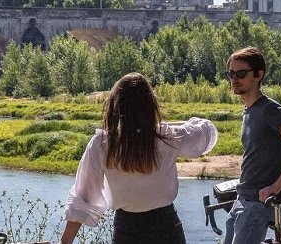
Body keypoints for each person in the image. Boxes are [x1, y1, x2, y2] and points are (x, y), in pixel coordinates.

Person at [60, 72, 218, 244]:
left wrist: (64, 242)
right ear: (151, 105)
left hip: (127, 230)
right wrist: (161, 127)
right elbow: (206, 130)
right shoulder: (168, 136)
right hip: (166, 228)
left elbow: (83, 197)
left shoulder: (103, 143)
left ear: (116, 106)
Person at [223, 47, 281, 244]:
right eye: (230, 73)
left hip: (258, 205)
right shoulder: (248, 111)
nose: (234, 79)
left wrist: (277, 186)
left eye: (240, 73)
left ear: (258, 74)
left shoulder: (271, 110)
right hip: (242, 200)